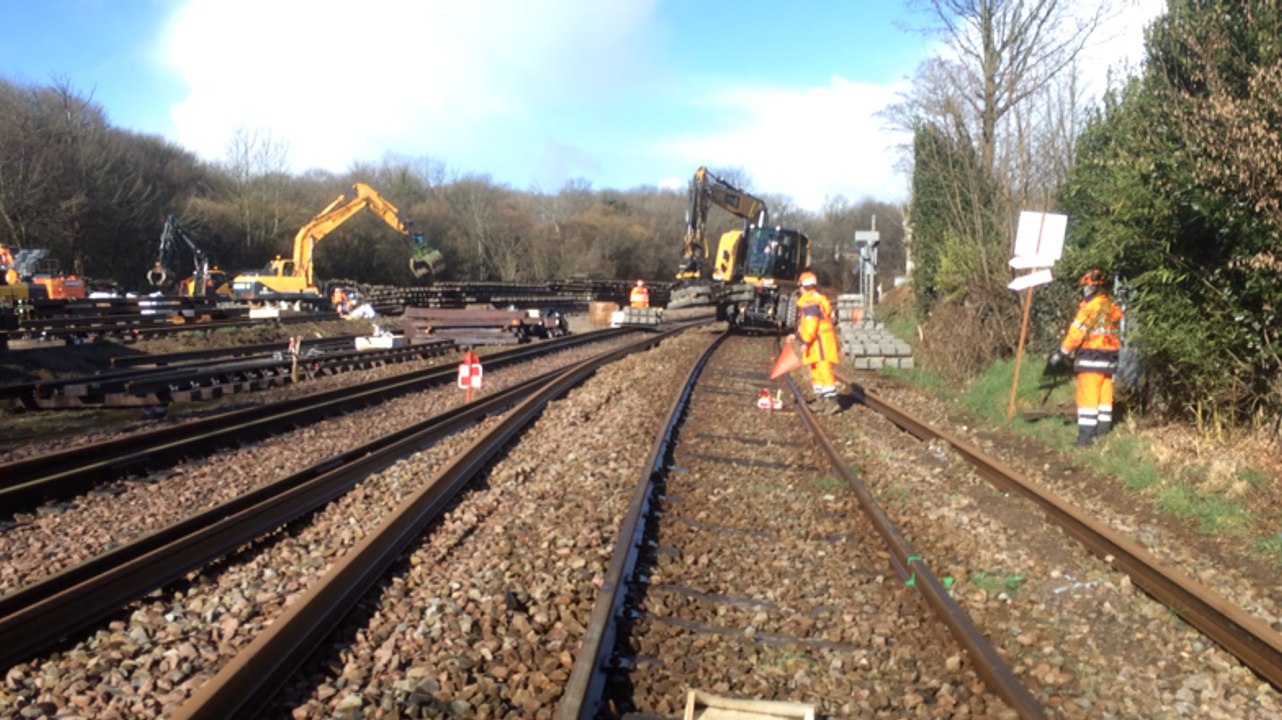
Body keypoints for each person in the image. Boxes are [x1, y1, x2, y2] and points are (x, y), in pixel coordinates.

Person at [1049, 268, 1124, 447]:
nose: (1084, 291)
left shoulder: (1089, 308)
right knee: (1104, 396)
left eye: (1085, 287)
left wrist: (1062, 352)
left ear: (1090, 288)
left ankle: (1085, 438)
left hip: (1091, 358)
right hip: (1109, 359)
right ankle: (1104, 431)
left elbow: (1076, 333)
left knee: (1088, 398)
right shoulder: (1112, 307)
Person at [793, 271, 841, 415]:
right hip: (818, 340)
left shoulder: (810, 303)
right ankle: (820, 399)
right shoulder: (815, 299)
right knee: (816, 368)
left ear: (802, 286)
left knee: (823, 369)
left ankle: (831, 401)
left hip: (819, 340)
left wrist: (803, 340)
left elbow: (810, 325)